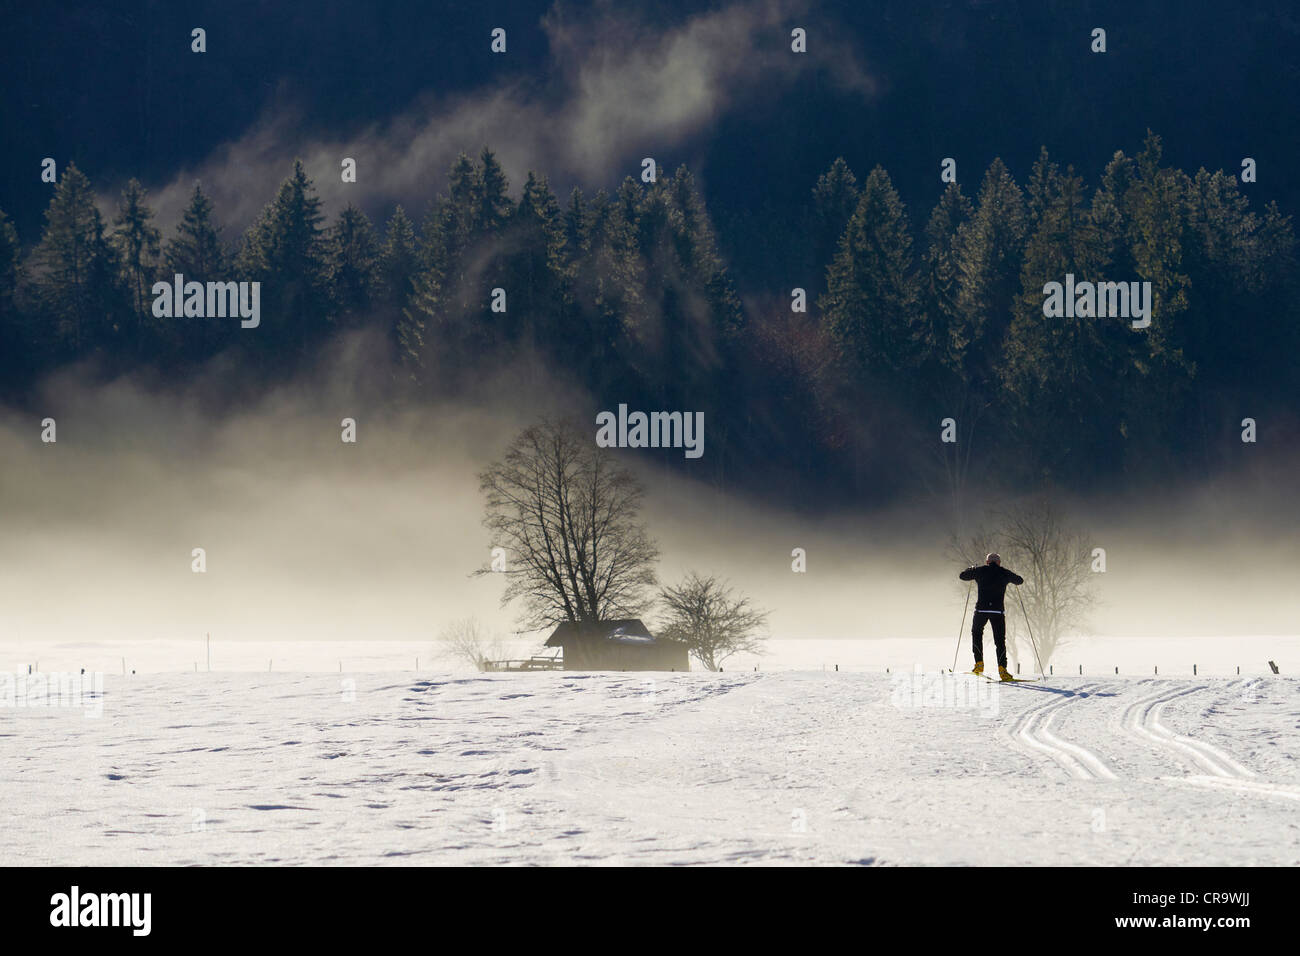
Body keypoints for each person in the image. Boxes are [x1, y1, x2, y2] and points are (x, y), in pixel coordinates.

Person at [959, 553, 1024, 681]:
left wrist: (971, 569)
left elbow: (963, 576)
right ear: (999, 562)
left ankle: (979, 664)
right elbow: (1019, 581)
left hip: (981, 610)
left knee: (976, 633)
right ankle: (1002, 670)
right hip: (997, 612)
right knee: (1000, 641)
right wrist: (1011, 575)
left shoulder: (980, 570)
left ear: (987, 562)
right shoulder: (1004, 572)